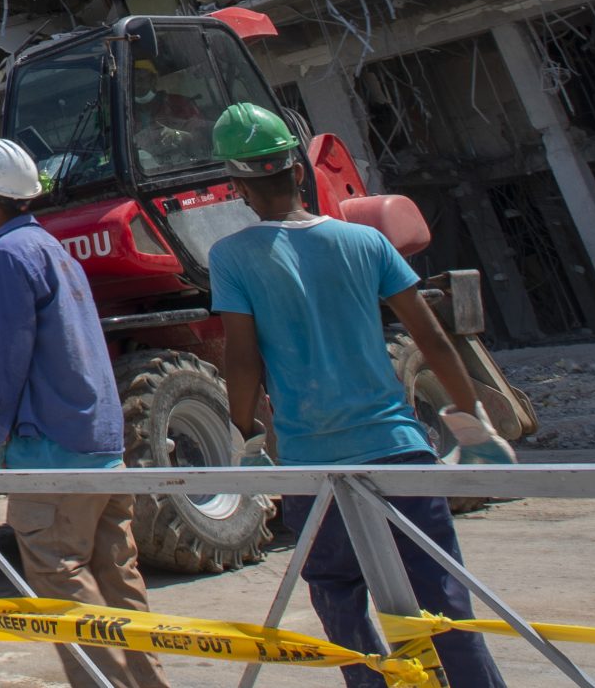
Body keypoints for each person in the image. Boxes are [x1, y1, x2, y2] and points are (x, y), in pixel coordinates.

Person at [208, 104, 516, 688]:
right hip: (397, 449)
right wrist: (472, 421)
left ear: (237, 186)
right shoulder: (366, 243)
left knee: (341, 602)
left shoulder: (232, 257)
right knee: (443, 603)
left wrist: (245, 432)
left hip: (313, 463)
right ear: (298, 171)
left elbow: (242, 357)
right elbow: (429, 334)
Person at [0, 137, 175, 688]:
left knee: (59, 579)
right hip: (101, 441)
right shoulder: (54, 248)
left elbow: (14, 352)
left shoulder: (8, 253)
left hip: (52, 449)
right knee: (118, 576)